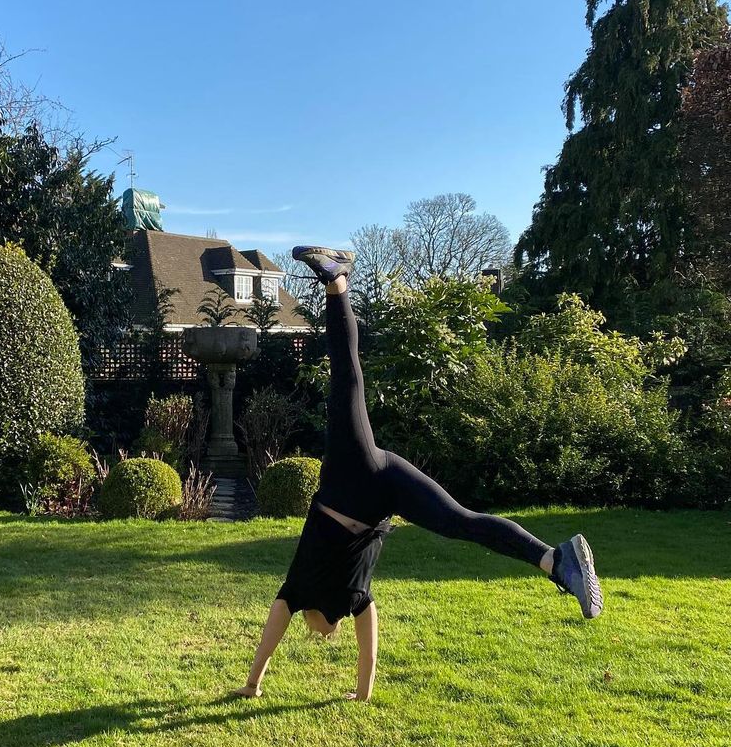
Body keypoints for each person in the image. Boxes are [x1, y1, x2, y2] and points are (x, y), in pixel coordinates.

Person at [232, 246, 603, 702]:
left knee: (347, 378)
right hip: (384, 487)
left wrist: (253, 683)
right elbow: (367, 646)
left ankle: (336, 280)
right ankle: (555, 560)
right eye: (321, 636)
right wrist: (362, 693)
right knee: (459, 522)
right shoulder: (351, 601)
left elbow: (274, 628)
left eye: (314, 632)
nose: (318, 635)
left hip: (354, 472)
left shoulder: (300, 589)